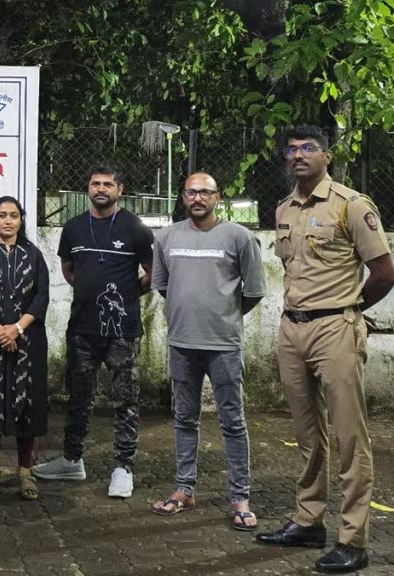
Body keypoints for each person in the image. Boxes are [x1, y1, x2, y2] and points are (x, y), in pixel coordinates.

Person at [255, 126, 394, 574]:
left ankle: (353, 539)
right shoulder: (284, 208)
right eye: (291, 149)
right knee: (306, 434)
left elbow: (384, 271)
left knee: (350, 437)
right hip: (291, 330)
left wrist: (349, 309)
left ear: (326, 157)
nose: (298, 155)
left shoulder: (351, 205)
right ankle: (308, 519)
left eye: (308, 148)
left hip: (336, 329)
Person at [149, 172, 266, 530]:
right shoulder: (166, 238)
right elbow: (164, 287)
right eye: (190, 192)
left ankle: (240, 497)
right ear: (183, 197)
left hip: (223, 345)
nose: (197, 198)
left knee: (233, 421)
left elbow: (254, 290)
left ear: (218, 197)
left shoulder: (239, 237)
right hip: (182, 343)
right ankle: (184, 489)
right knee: (184, 418)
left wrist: (222, 315)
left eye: (204, 192)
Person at [32, 164, 154, 499]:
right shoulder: (73, 227)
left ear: (120, 190)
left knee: (126, 399)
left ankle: (123, 467)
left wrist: (127, 294)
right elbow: (68, 269)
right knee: (78, 397)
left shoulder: (136, 228)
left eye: (108, 184)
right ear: (88, 188)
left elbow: (152, 272)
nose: (101, 189)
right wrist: (90, 291)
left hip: (122, 331)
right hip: (82, 328)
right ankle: (72, 460)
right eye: (95, 183)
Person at [0, 196, 50, 501]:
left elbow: (41, 297)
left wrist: (17, 328)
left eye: (14, 215)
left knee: (26, 402)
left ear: (21, 220)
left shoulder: (34, 255)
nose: (7, 220)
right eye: (2, 215)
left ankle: (25, 470)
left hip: (28, 340)